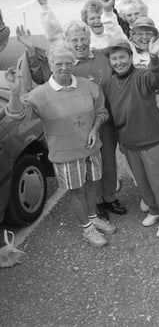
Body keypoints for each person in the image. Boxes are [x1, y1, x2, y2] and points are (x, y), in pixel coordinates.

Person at [5, 41, 115, 248]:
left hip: (91, 148)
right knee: (77, 192)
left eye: (68, 62)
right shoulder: (39, 95)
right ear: (50, 63)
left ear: (73, 62)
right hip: (66, 154)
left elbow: (101, 112)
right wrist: (14, 93)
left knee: (93, 184)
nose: (64, 67)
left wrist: (94, 129)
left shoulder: (88, 86)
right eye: (58, 64)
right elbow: (17, 115)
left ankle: (93, 217)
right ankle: (87, 228)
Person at [102, 36, 159, 239]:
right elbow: (111, 113)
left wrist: (154, 58)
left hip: (153, 139)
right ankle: (154, 210)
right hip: (129, 141)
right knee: (143, 182)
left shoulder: (142, 76)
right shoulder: (108, 84)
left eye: (122, 57)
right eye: (114, 58)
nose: (118, 62)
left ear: (130, 56)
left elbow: (157, 77)